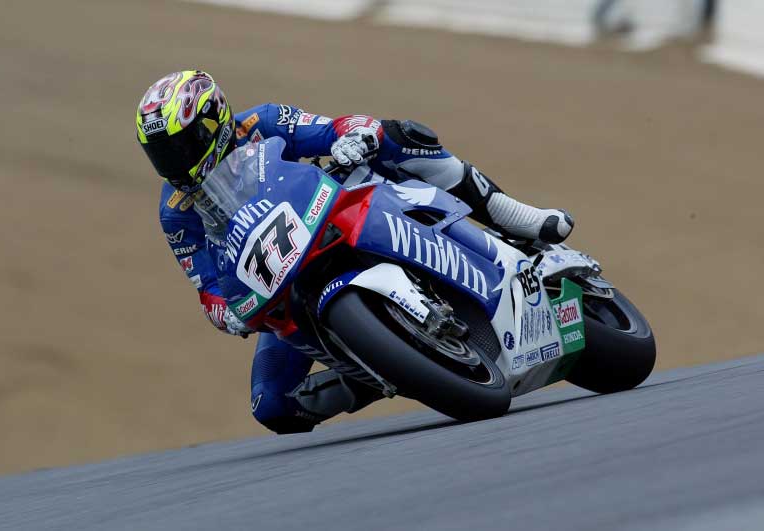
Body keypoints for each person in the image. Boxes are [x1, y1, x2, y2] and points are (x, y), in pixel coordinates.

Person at [136, 70, 574, 434]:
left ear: (213, 121)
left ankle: (511, 215)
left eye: (179, 145)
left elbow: (334, 127)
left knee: (400, 135)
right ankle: (385, 368)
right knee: (271, 405)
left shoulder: (260, 122)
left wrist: (352, 136)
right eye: (160, 153)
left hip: (335, 210)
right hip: (284, 281)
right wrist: (225, 314)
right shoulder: (176, 211)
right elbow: (207, 286)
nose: (172, 161)